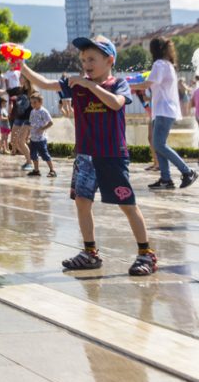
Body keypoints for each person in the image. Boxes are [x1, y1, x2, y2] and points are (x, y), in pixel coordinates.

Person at [21, 35, 157, 276]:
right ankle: (90, 253)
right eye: (83, 59)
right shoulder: (77, 84)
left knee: (126, 204)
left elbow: (116, 104)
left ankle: (146, 254)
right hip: (85, 156)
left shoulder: (118, 84)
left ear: (109, 60)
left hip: (112, 155)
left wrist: (89, 86)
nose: (86, 64)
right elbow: (44, 83)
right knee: (82, 203)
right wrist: (22, 66)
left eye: (92, 58)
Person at [132, 37, 198, 190]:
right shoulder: (167, 65)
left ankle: (187, 171)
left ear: (154, 50)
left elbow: (148, 84)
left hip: (163, 111)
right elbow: (156, 88)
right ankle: (166, 179)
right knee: (158, 144)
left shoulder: (159, 64)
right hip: (162, 110)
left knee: (159, 144)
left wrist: (126, 85)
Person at [26, 93, 56, 177]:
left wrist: (42, 128)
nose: (33, 104)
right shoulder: (32, 112)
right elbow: (31, 124)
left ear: (40, 102)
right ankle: (36, 170)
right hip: (33, 138)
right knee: (33, 155)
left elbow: (51, 122)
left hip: (41, 138)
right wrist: (28, 134)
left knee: (45, 154)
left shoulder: (43, 111)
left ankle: (52, 170)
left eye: (35, 102)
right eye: (31, 103)